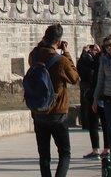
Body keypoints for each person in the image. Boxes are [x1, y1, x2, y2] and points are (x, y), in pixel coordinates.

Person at [28, 23, 79, 177]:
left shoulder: (34, 56)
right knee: (65, 153)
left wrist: (42, 44)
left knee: (44, 156)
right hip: (57, 113)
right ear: (58, 42)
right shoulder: (61, 61)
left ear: (45, 38)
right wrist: (67, 53)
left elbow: (36, 53)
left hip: (38, 111)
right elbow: (75, 78)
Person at [77, 44, 102, 158]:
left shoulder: (101, 60)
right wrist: (84, 55)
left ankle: (105, 150)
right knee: (93, 123)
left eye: (97, 49)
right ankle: (97, 150)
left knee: (104, 124)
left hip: (102, 94)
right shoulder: (89, 60)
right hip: (92, 94)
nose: (94, 51)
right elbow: (82, 71)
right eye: (92, 49)